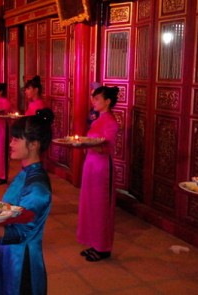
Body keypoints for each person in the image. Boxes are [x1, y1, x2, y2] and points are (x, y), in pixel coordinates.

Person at [0, 108, 54, 295]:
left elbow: (18, 233)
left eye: (16, 139)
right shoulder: (26, 172)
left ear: (34, 145)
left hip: (22, 260)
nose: (11, 143)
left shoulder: (37, 187)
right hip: (9, 253)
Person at [77, 86, 120, 262]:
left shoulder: (110, 121)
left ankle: (103, 247)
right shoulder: (97, 120)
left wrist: (86, 144)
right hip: (91, 165)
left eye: (97, 99)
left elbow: (106, 147)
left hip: (102, 167)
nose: (93, 102)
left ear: (107, 102)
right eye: (93, 99)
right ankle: (93, 242)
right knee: (90, 204)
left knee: (102, 207)